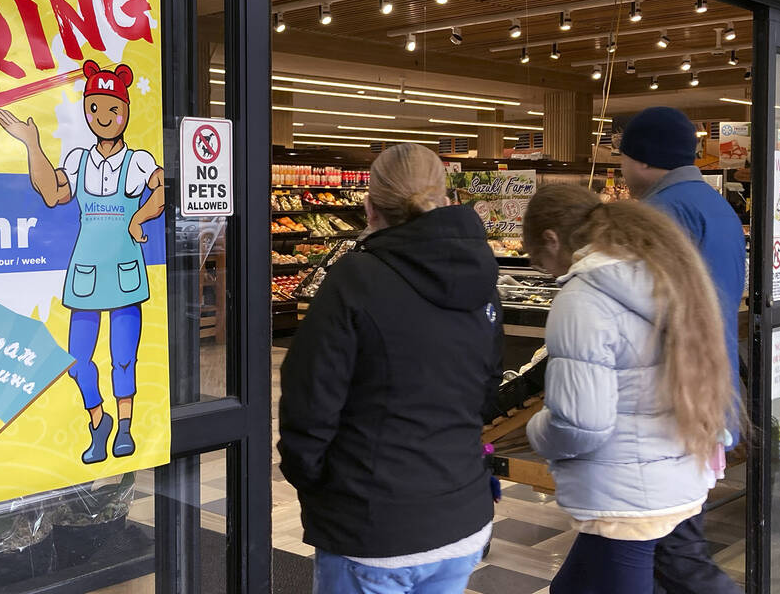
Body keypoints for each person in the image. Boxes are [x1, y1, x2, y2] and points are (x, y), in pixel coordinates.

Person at [278, 143, 503, 594]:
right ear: (445, 199)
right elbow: (486, 392)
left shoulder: (354, 280)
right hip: (462, 517)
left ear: (369, 206)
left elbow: (309, 404)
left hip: (373, 525)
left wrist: (320, 486)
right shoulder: (482, 276)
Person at [523, 185, 737, 594]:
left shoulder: (583, 298)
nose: (546, 272)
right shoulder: (661, 270)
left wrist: (537, 431)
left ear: (552, 239)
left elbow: (581, 424)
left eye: (539, 260)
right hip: (676, 471)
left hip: (625, 498)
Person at [0, 60, 165, 464]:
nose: (104, 117)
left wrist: (138, 218)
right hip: (86, 274)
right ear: (87, 110)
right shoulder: (77, 159)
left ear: (125, 112)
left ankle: (125, 428)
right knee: (77, 361)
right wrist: (32, 144)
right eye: (95, 109)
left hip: (126, 273)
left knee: (124, 358)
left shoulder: (140, 161)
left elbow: (162, 192)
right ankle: (98, 421)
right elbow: (52, 193)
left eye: (113, 109)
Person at [620, 106, 746, 594]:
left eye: (623, 157)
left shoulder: (659, 213)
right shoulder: (715, 206)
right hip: (711, 389)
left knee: (674, 551)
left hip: (670, 397)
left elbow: (638, 313)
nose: (622, 169)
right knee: (660, 547)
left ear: (645, 159)